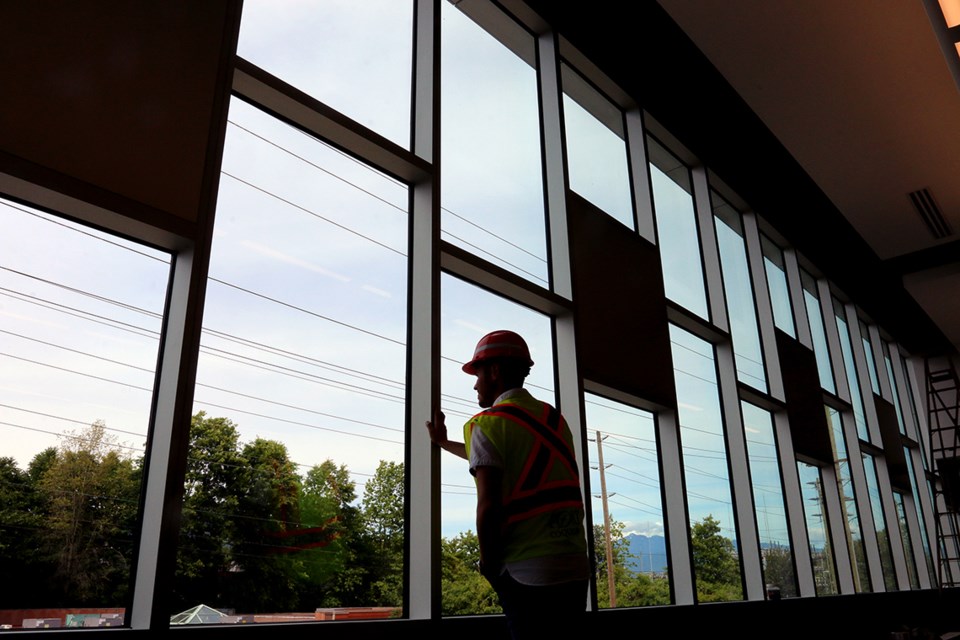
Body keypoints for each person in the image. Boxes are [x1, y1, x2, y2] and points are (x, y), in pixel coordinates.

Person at [426, 330, 590, 638]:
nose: (475, 384)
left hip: (528, 570)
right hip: (574, 563)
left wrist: (488, 564)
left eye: (477, 374)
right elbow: (497, 455)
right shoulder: (553, 419)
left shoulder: (486, 423)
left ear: (495, 371)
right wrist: (445, 443)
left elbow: (489, 505)